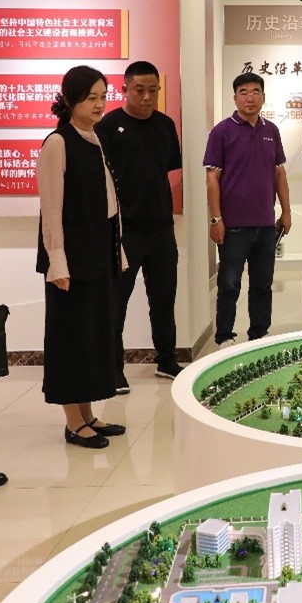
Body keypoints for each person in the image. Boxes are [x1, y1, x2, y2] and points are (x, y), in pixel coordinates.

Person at [36, 65, 128, 448]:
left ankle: (88, 414)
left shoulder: (95, 138)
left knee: (92, 338)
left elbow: (108, 202)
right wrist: (57, 262)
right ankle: (73, 423)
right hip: (71, 261)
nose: (99, 104)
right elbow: (51, 210)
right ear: (71, 99)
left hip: (99, 252)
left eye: (103, 96)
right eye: (91, 97)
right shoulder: (58, 143)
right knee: (71, 340)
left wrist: (117, 250)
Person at [96, 61, 183, 391]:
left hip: (161, 228)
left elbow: (167, 168)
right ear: (125, 90)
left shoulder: (165, 124)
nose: (147, 97)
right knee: (116, 302)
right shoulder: (108, 127)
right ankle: (113, 368)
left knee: (163, 299)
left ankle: (167, 360)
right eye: (139, 90)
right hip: (124, 232)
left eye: (153, 90)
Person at [204, 73, 292, 347]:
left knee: (263, 283)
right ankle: (224, 336)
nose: (250, 97)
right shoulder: (222, 131)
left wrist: (286, 212)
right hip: (233, 225)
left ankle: (259, 333)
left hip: (265, 223)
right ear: (235, 98)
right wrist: (216, 219)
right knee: (229, 284)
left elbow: (279, 173)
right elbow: (212, 178)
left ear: (263, 97)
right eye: (243, 92)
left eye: (255, 92)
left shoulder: (271, 131)